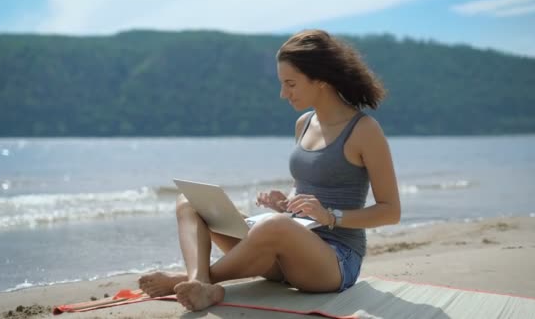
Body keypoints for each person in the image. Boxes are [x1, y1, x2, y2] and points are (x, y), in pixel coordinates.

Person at [139, 29, 401, 311]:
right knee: (191, 202)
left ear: (321, 80)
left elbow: (391, 211)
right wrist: (286, 203)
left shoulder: (364, 130)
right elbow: (307, 187)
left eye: (291, 84)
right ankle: (199, 280)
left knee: (274, 226)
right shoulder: (304, 123)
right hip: (285, 248)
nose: (283, 94)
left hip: (336, 261)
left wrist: (330, 216)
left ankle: (200, 280)